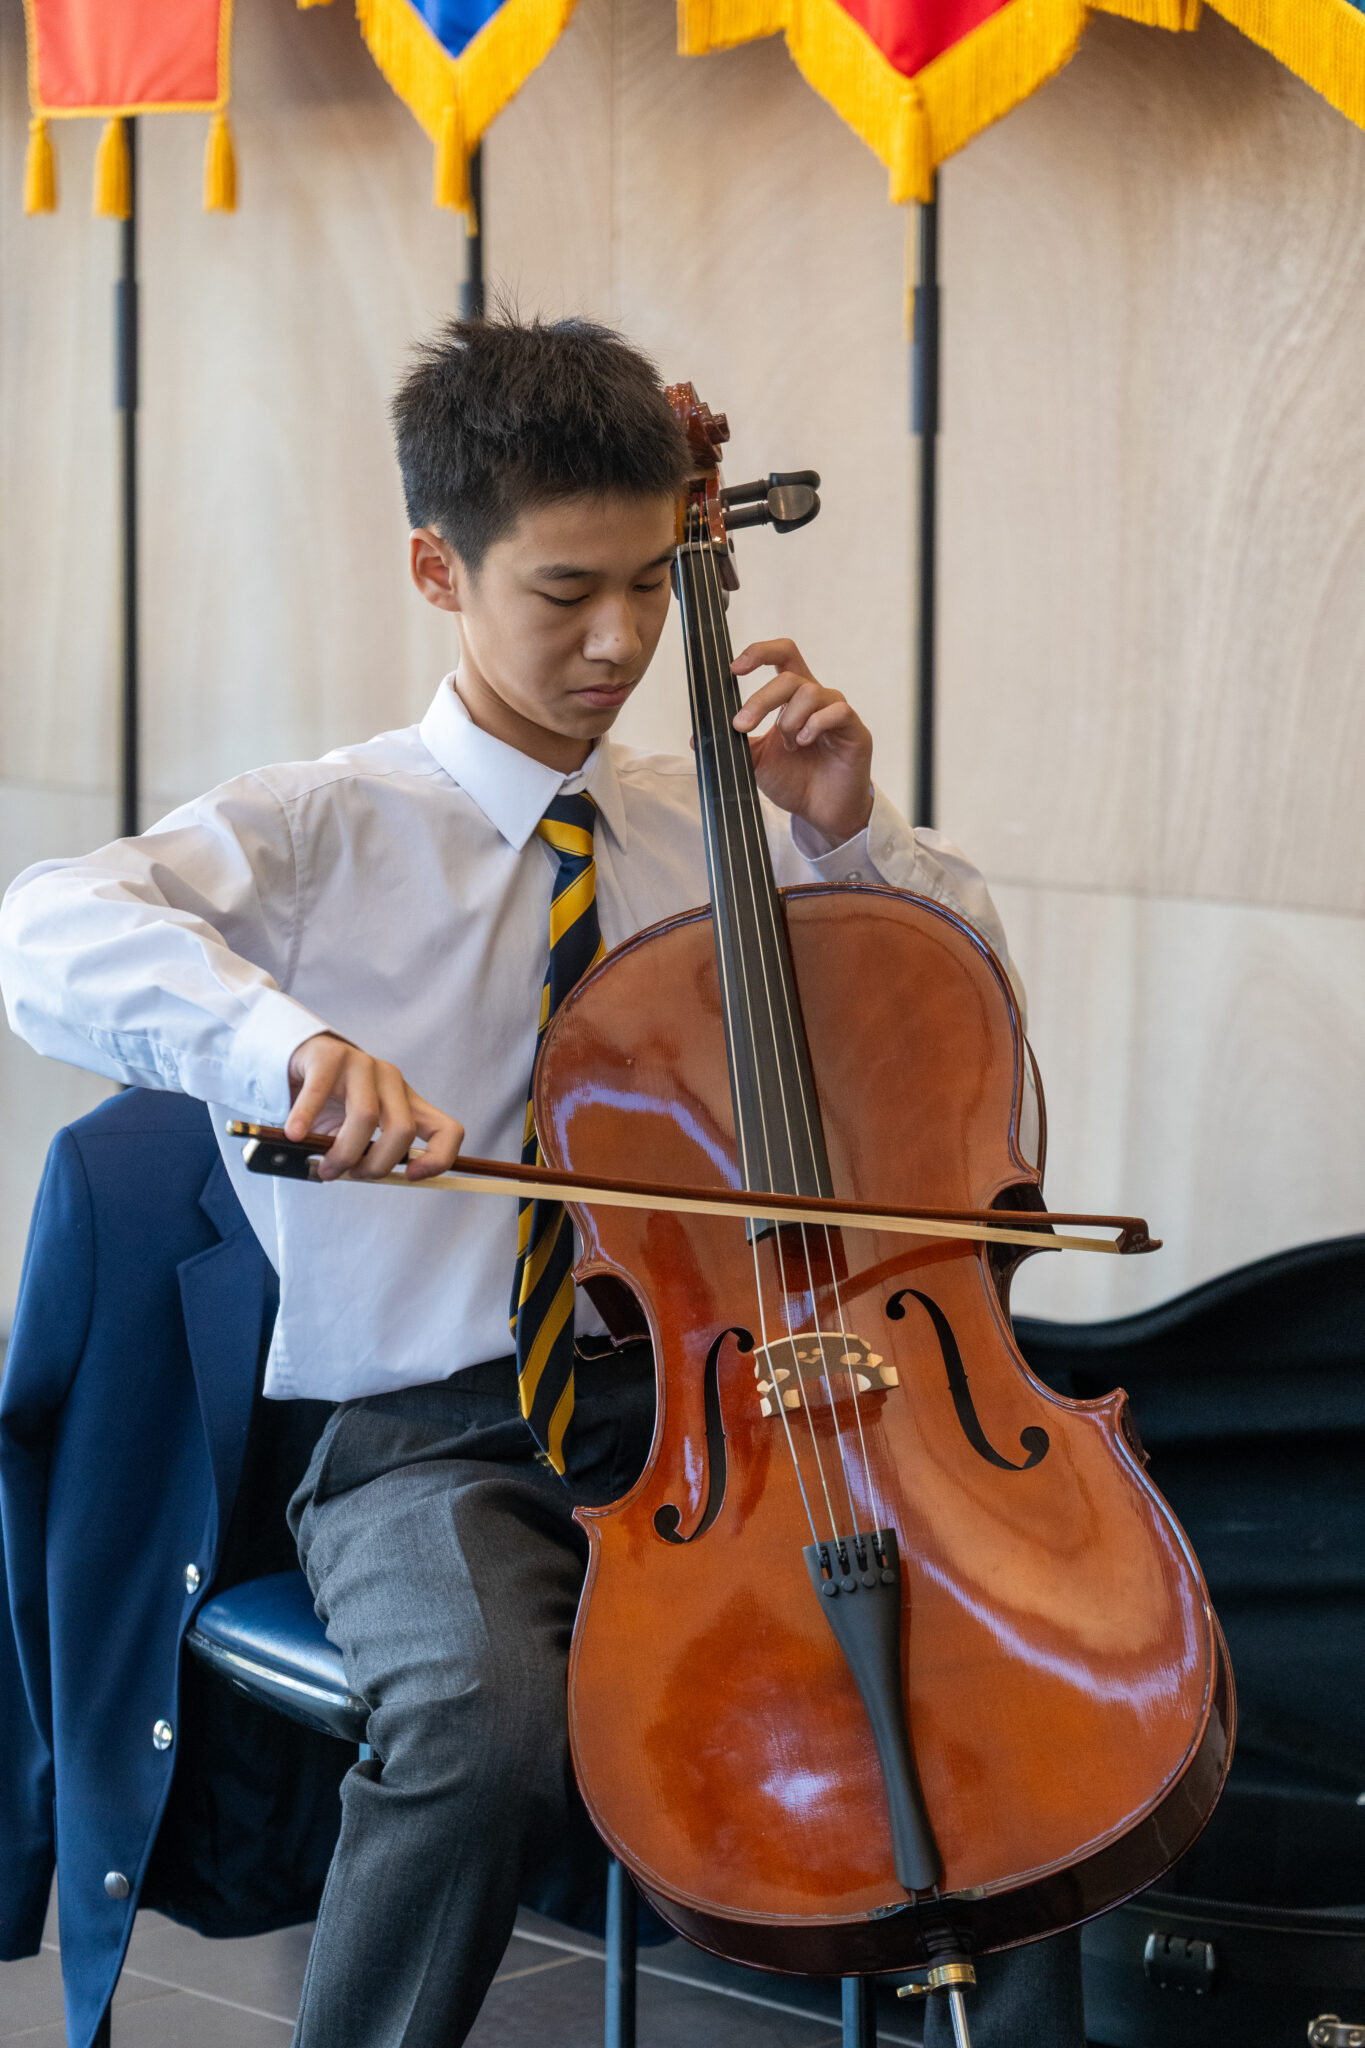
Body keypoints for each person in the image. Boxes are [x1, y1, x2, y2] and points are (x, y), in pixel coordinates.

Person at [0, 315, 1077, 2047]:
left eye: (657, 586)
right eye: (567, 592)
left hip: (716, 1400)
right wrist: (284, 1051)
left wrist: (845, 835)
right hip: (421, 1434)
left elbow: (950, 1019)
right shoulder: (318, 831)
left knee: (988, 1665)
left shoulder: (707, 823)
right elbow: (47, 930)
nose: (625, 639)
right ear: (441, 568)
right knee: (484, 1717)